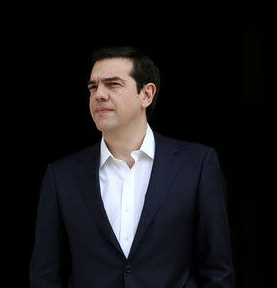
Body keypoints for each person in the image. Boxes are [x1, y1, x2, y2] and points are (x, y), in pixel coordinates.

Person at [30, 46, 235, 287]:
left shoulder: (197, 165)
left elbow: (217, 272)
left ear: (146, 94)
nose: (99, 95)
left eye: (113, 84)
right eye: (93, 87)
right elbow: (46, 276)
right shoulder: (61, 176)